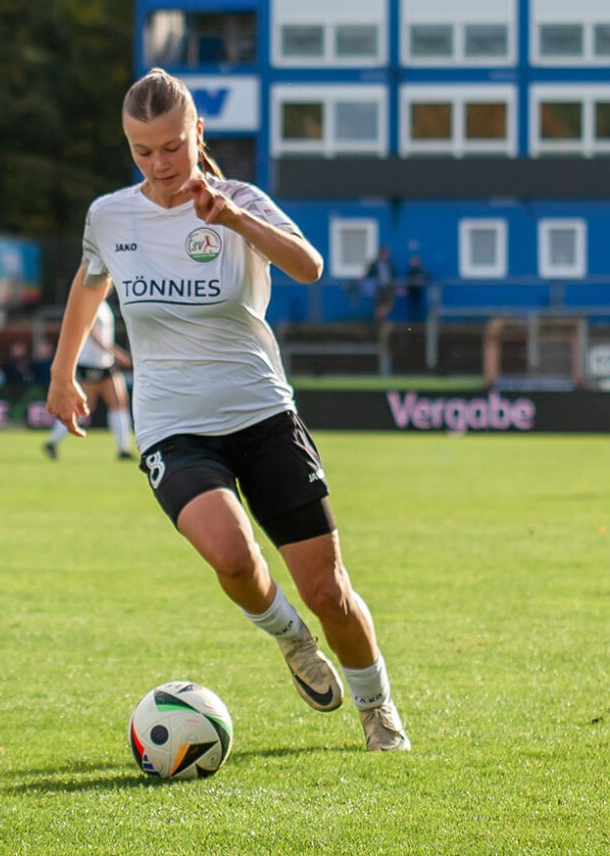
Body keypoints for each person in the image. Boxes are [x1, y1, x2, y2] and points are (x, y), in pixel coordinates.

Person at [47, 68, 410, 752]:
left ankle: (377, 706)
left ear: (197, 134)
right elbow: (90, 281)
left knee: (329, 590)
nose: (159, 165)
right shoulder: (110, 216)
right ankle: (290, 639)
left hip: (263, 415)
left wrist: (234, 218)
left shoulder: (240, 200)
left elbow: (309, 268)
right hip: (174, 428)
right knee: (232, 555)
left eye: (172, 147)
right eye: (142, 151)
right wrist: (63, 373)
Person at [42, 298, 135, 461]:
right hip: (92, 363)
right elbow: (93, 333)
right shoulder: (90, 302)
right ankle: (52, 441)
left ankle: (123, 449)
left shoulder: (104, 305)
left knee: (119, 402)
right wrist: (115, 352)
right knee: (83, 406)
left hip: (106, 363)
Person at [364, 244, 397, 331]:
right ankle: (378, 322)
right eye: (385, 253)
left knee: (388, 305)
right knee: (378, 305)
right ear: (381, 254)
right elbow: (368, 274)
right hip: (378, 288)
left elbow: (393, 275)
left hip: (388, 287)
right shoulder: (375, 264)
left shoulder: (389, 264)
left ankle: (381, 319)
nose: (387, 255)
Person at [404, 252, 427, 322]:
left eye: (415, 261)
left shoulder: (421, 270)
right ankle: (411, 321)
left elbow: (426, 278)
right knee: (412, 307)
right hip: (411, 291)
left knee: (419, 307)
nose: (413, 263)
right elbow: (407, 280)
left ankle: (420, 320)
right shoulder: (410, 271)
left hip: (419, 291)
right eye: (412, 261)